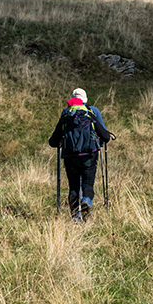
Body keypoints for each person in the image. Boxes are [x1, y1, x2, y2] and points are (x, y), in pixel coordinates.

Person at [47, 87, 112, 220]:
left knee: (73, 186)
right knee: (88, 184)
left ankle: (75, 217)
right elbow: (105, 136)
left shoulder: (66, 113)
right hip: (89, 155)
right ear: (85, 99)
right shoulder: (92, 111)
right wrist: (99, 142)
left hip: (70, 156)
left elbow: (53, 142)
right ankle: (87, 201)